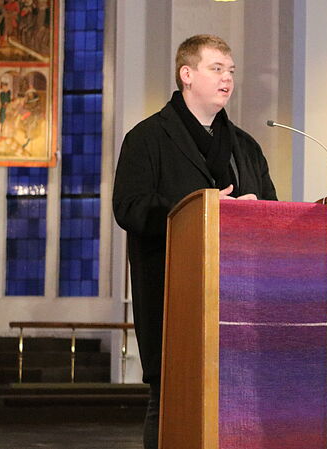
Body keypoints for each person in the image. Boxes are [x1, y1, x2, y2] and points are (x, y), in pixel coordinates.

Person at [112, 34, 277, 449]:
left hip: (238, 301)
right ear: (187, 74)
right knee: (168, 403)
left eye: (231, 71)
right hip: (174, 296)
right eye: (216, 69)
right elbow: (129, 208)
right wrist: (197, 209)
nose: (227, 79)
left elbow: (273, 216)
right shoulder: (146, 138)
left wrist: (257, 213)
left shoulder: (245, 147)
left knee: (235, 407)